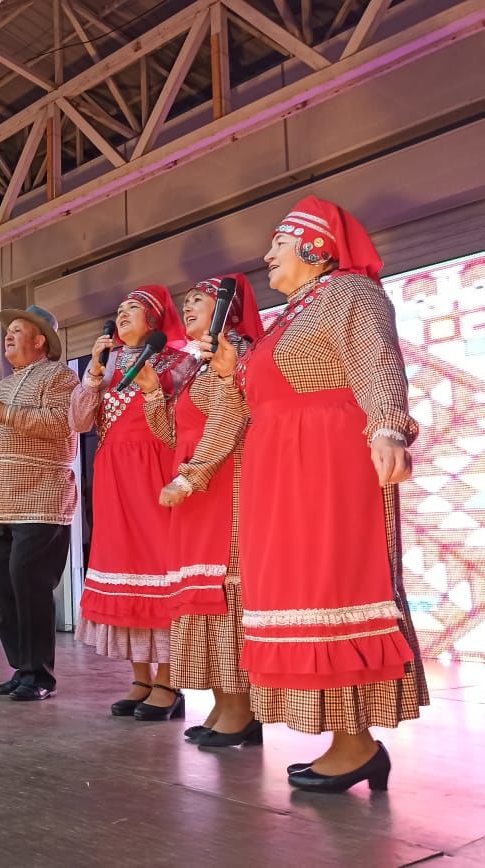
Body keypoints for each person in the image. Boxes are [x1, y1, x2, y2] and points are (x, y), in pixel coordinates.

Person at [204, 195, 427, 792]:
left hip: (327, 463)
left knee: (335, 588)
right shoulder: (289, 317)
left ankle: (356, 744)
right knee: (302, 595)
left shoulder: (350, 294)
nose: (265, 255)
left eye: (276, 244)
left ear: (314, 247)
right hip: (281, 468)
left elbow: (376, 362)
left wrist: (387, 427)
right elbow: (254, 406)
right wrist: (232, 372)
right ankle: (345, 739)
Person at [140, 275, 264, 745]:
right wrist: (153, 392)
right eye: (186, 300)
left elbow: (232, 419)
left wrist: (192, 475)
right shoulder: (197, 366)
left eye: (200, 299)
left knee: (223, 593)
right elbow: (173, 435)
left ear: (226, 309)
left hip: (223, 486)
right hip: (196, 487)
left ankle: (240, 708)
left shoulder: (236, 355)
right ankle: (222, 703)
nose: (189, 305)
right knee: (200, 595)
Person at [69, 286, 192, 718]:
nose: (121, 315)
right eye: (118, 310)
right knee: (124, 567)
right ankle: (140, 677)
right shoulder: (106, 364)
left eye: (132, 309)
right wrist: (94, 372)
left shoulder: (179, 362)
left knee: (160, 566)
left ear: (155, 321)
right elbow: (81, 422)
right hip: (114, 474)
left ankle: (170, 681)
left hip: (156, 467)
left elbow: (182, 421)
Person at [0, 305, 79, 701]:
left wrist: (3, 413)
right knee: (4, 588)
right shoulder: (1, 388)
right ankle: (23, 668)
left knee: (29, 583)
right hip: (1, 502)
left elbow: (62, 423)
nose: (8, 336)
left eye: (17, 330)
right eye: (8, 331)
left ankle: (40, 674)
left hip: (42, 497)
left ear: (40, 340)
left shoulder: (61, 376)